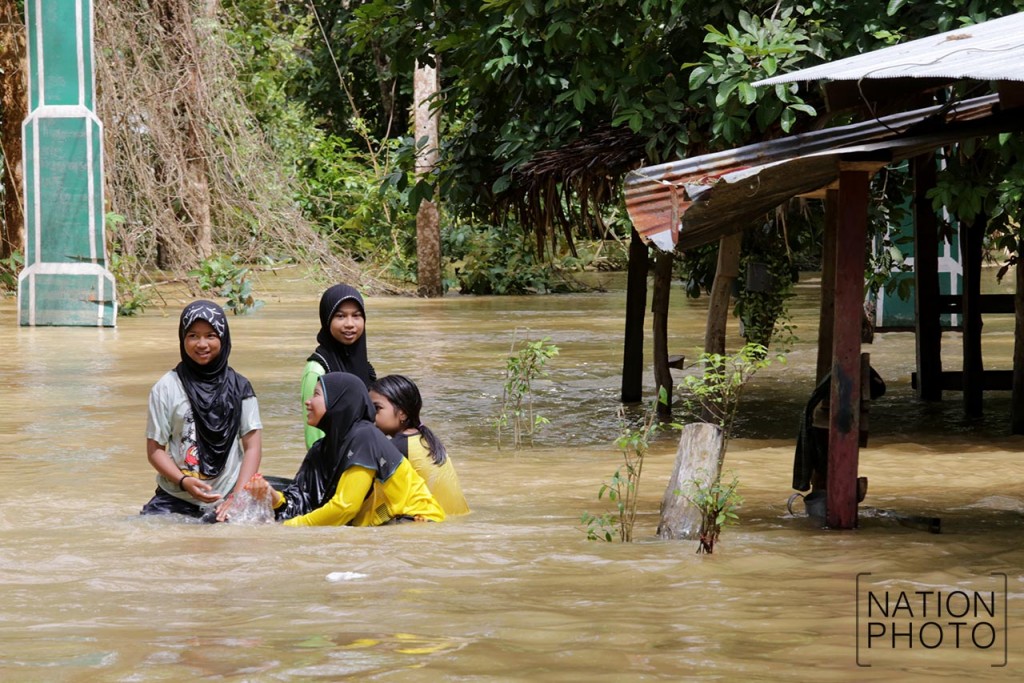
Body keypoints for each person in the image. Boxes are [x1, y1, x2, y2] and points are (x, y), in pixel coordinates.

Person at [250, 372, 444, 526]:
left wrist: (288, 528)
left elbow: (345, 507)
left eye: (316, 394)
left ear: (339, 402)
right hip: (382, 525)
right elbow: (305, 502)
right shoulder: (321, 450)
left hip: (416, 522)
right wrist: (272, 496)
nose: (308, 402)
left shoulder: (365, 437)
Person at [142, 300, 262, 522]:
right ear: (182, 339)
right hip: (176, 495)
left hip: (228, 494)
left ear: (223, 338)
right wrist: (183, 481)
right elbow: (155, 450)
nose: (202, 344)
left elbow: (252, 447)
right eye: (193, 336)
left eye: (210, 335)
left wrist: (237, 497)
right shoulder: (166, 388)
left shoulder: (241, 387)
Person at [369, 375, 470, 516]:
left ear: (403, 414)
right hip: (454, 519)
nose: (370, 415)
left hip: (433, 522)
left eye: (377, 408)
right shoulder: (426, 439)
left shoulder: (397, 447)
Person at [302, 284, 376, 449]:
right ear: (327, 319)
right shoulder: (317, 369)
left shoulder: (365, 367)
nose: (350, 324)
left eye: (356, 316)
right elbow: (314, 436)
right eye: (340, 316)